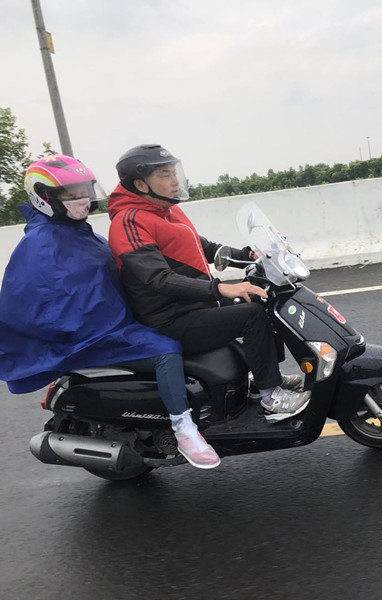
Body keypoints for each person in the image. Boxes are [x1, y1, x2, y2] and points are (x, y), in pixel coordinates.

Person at [0, 154, 220, 469]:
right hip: (91, 336)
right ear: (44, 196)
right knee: (165, 348)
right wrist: (92, 327)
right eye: (70, 194)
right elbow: (35, 301)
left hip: (114, 325)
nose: (82, 200)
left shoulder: (75, 232)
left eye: (83, 190)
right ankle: (184, 429)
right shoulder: (41, 243)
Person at [106, 144, 310, 419]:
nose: (175, 180)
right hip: (169, 320)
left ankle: (265, 377)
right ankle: (270, 396)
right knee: (250, 315)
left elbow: (206, 248)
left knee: (260, 297)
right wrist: (220, 288)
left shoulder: (168, 211)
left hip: (196, 304)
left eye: (173, 172)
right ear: (141, 184)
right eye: (165, 175)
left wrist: (248, 254)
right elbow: (158, 280)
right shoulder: (128, 222)